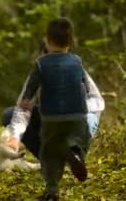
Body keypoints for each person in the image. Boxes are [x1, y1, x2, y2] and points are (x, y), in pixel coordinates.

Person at [13, 18, 94, 201]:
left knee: (49, 153)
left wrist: (26, 99)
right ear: (70, 41)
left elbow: (32, 84)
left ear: (47, 41)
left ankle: (51, 191)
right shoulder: (77, 61)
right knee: (79, 139)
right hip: (77, 114)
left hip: (51, 116)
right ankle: (74, 153)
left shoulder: (41, 63)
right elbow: (86, 87)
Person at [0, 41, 104, 160]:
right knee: (9, 114)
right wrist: (15, 137)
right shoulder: (36, 76)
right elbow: (23, 109)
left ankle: (75, 152)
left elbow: (97, 101)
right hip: (47, 121)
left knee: (89, 118)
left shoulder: (76, 70)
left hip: (75, 122)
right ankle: (48, 157)